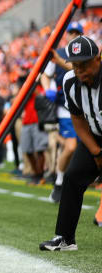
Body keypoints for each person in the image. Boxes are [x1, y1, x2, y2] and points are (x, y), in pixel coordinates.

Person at [40, 35, 102, 251]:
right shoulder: (69, 81)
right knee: (73, 176)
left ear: (98, 59)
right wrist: (96, 152)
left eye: (84, 64)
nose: (79, 71)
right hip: (93, 134)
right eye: (75, 65)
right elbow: (77, 118)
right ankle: (65, 238)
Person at [41, 22, 83, 202]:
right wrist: (47, 89)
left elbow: (80, 71)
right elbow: (45, 74)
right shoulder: (58, 53)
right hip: (66, 106)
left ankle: (68, 181)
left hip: (86, 106)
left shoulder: (87, 52)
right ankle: (59, 181)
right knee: (71, 146)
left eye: (76, 32)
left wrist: (59, 62)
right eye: (70, 32)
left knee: (82, 149)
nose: (73, 35)